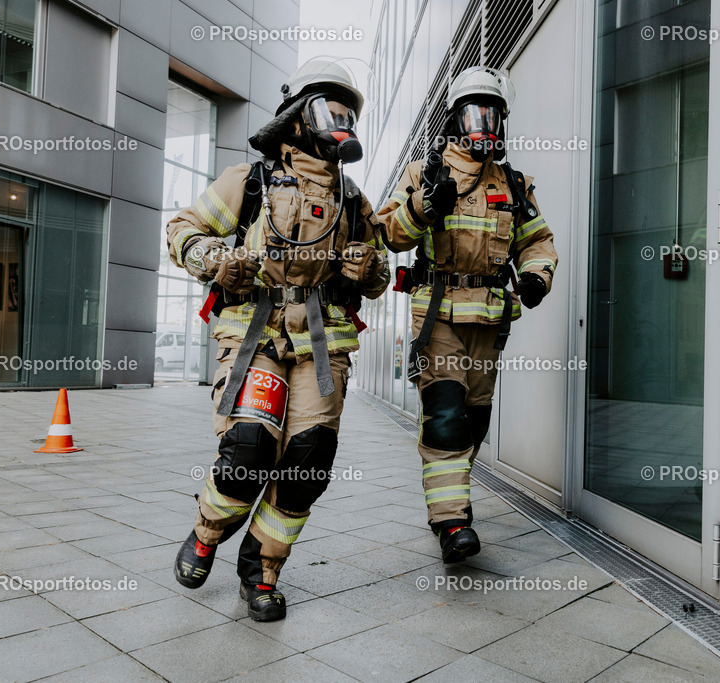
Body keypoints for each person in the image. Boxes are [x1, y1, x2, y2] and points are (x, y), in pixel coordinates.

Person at [167, 58, 389, 621]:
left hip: (322, 343)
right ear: (297, 116)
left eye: (347, 114)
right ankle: (206, 530)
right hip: (254, 333)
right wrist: (214, 261)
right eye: (328, 110)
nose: (339, 122)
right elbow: (182, 229)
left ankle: (260, 567)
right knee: (250, 449)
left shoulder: (353, 200)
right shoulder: (250, 181)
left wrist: (370, 271)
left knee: (309, 462)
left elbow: (382, 270)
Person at [378, 66, 558, 563]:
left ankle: (450, 498)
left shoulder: (514, 185)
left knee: (474, 421)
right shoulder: (424, 173)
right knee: (446, 418)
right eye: (475, 115)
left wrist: (538, 275)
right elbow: (388, 235)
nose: (485, 126)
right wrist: (421, 207)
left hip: (490, 321)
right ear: (456, 120)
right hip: (436, 317)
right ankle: (452, 522)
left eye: (493, 115)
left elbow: (537, 240)